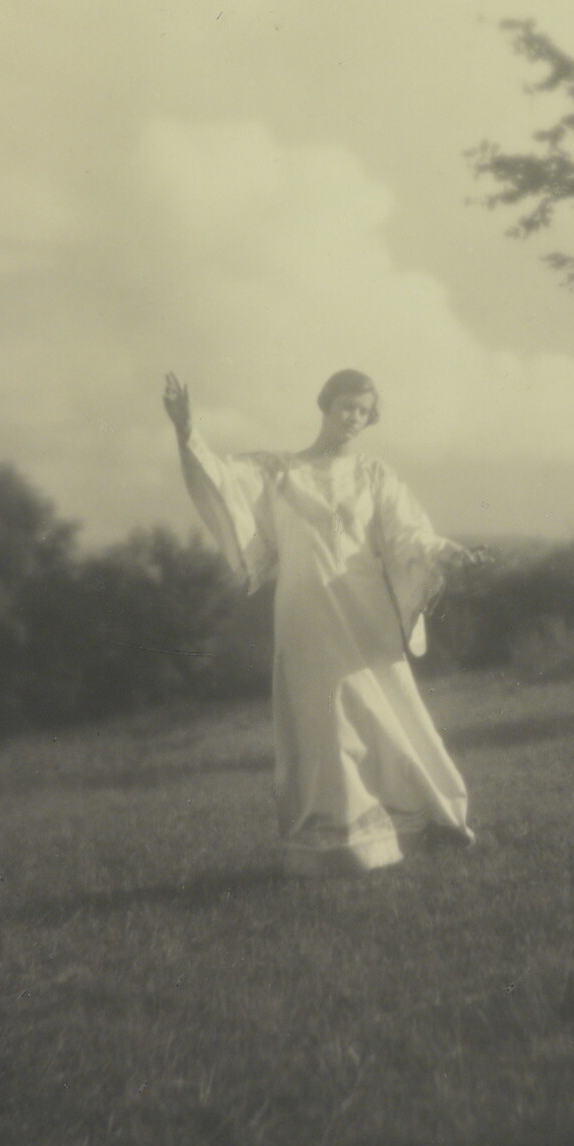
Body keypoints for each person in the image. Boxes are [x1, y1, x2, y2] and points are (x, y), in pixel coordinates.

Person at [163, 368, 486, 876]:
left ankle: (421, 819)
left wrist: (443, 552)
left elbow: (407, 534)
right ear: (326, 405)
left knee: (389, 709)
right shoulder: (278, 471)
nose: (353, 418)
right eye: (346, 406)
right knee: (323, 719)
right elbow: (222, 483)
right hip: (304, 611)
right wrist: (187, 432)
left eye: (363, 410)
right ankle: (343, 842)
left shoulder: (374, 475)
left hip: (364, 608)